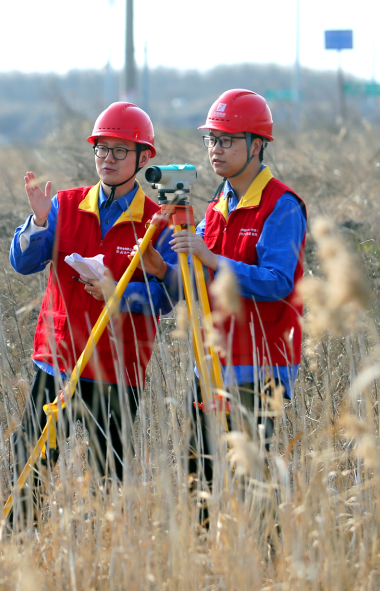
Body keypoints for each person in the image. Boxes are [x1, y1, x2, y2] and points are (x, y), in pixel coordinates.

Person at [8, 101, 176, 523]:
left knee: (107, 478)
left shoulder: (159, 222)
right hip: (59, 361)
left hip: (117, 368)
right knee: (29, 463)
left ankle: (103, 558)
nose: (109, 159)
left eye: (121, 151)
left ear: (143, 158)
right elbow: (23, 263)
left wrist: (116, 293)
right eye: (102, 148)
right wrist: (40, 223)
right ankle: (17, 547)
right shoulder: (64, 204)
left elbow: (170, 297)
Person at [140, 89, 307, 507]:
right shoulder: (217, 203)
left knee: (250, 478)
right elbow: (198, 286)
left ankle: (266, 564)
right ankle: (205, 563)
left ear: (257, 145)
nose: (216, 149)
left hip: (259, 360)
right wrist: (164, 272)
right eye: (212, 139)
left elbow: (278, 282)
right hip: (212, 356)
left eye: (227, 140)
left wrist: (213, 258)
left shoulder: (281, 206)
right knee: (201, 474)